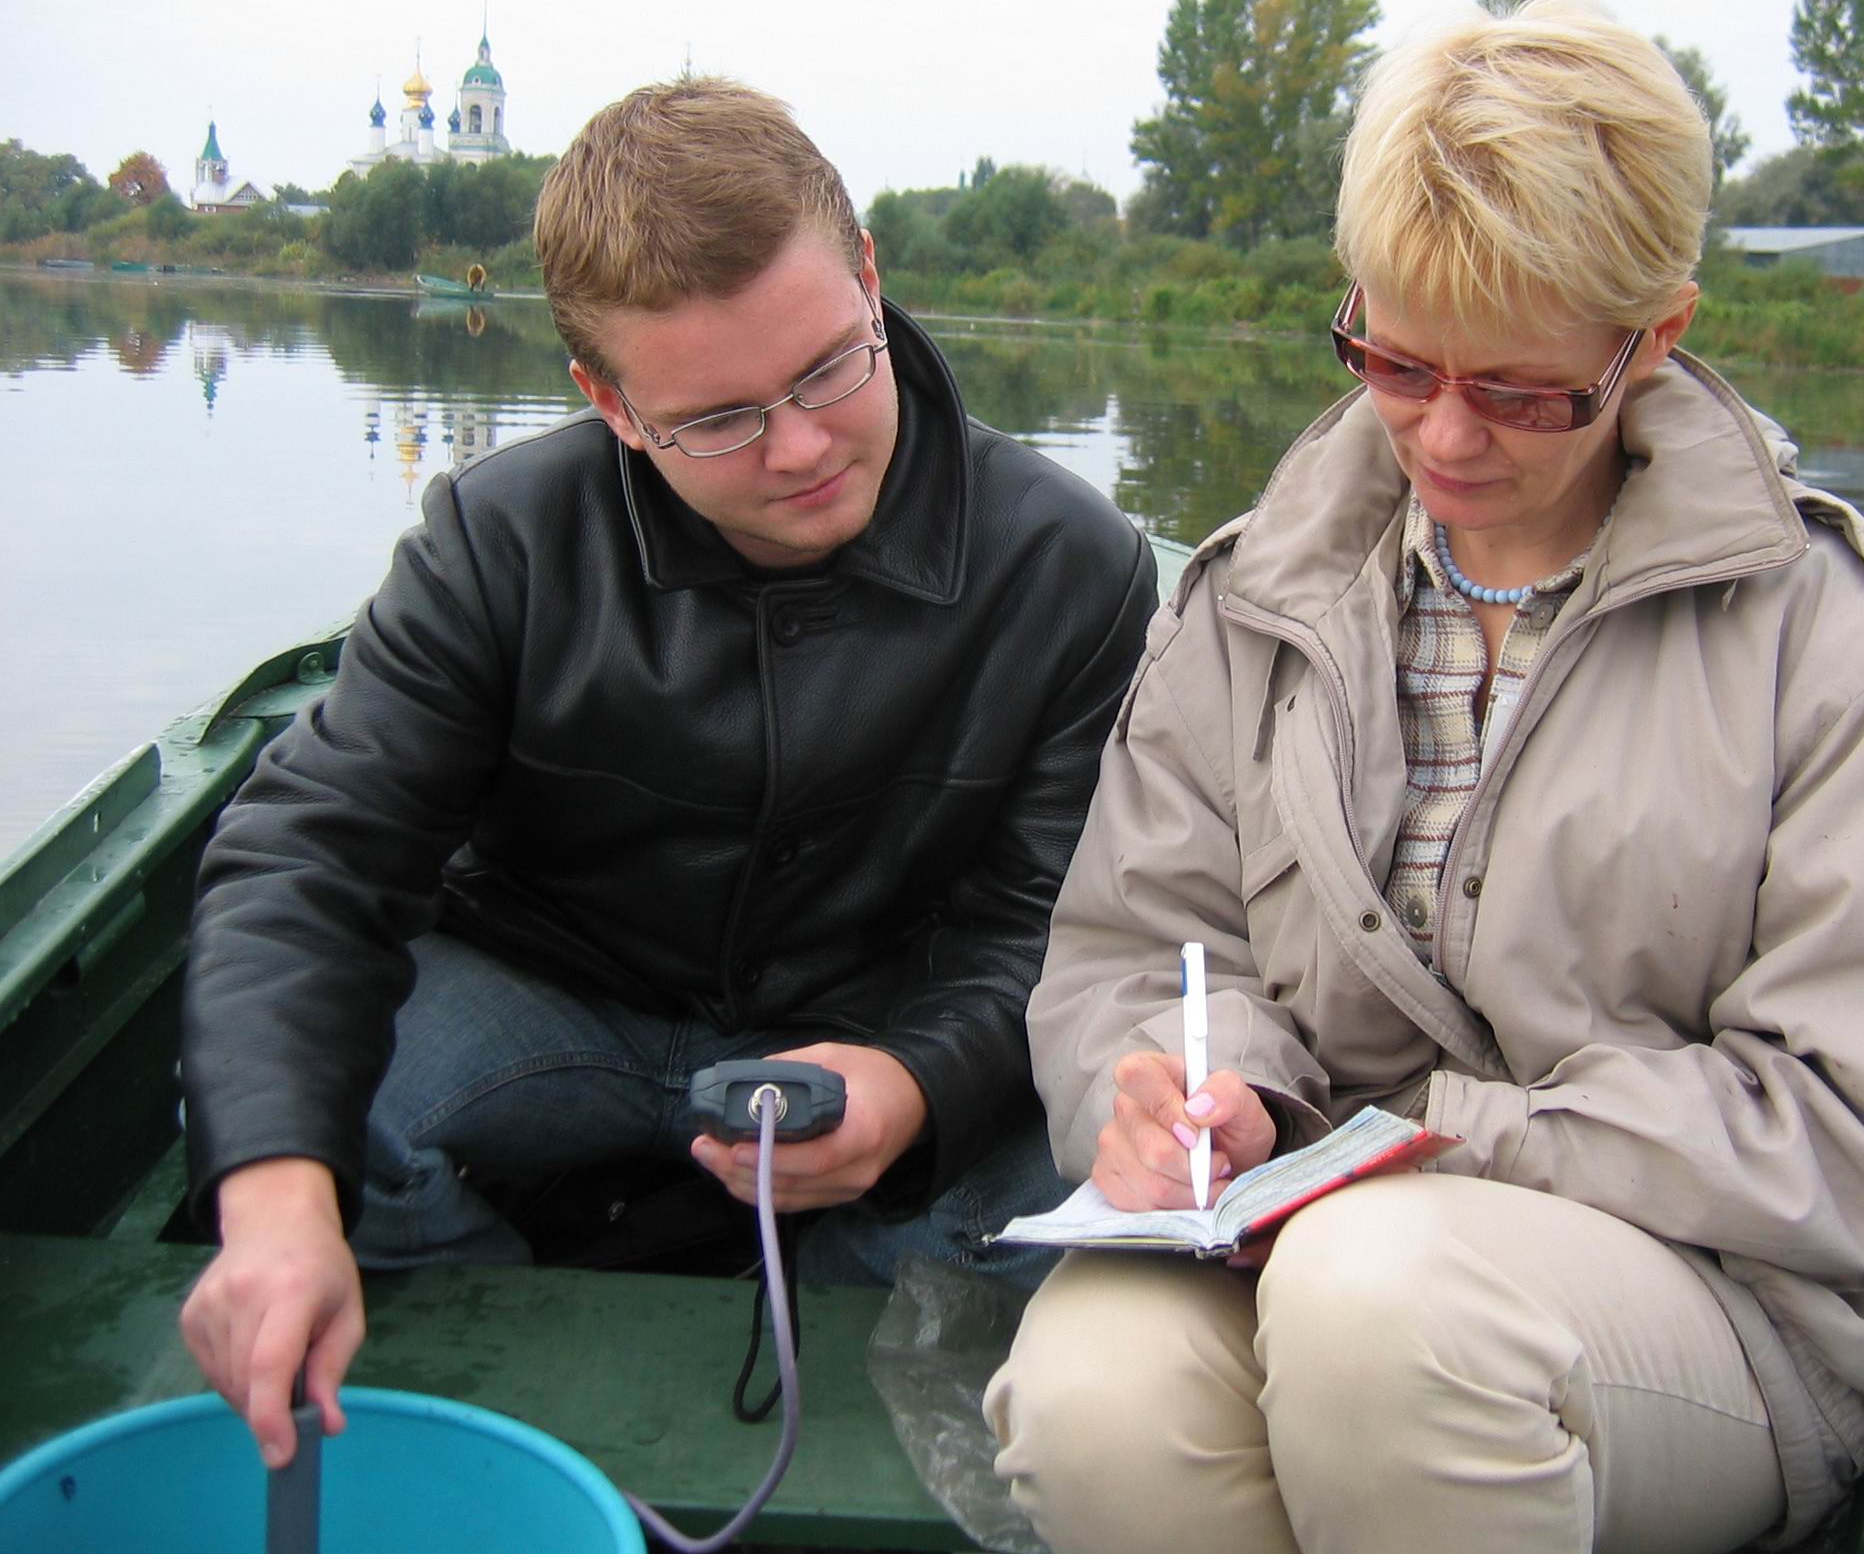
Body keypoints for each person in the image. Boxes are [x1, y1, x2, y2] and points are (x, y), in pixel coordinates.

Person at [984, 0, 1864, 1554]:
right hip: (1296, 1231)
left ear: (1651, 337)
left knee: (1384, 1307)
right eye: (1395, 358)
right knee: (1089, 1396)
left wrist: (1435, 1148)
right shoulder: (1250, 599)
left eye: (1521, 390)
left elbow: (1843, 1131)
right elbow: (1139, 950)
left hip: (1700, 1303)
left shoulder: (1830, 642)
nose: (1442, 436)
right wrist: (1213, 1099)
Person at [177, 78, 1157, 1470]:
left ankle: (823, 1350)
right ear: (610, 402)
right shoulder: (499, 543)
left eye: (831, 367)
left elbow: (1048, 927)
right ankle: (524, 1388)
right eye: (720, 420)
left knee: (1085, 1177)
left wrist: (913, 1085)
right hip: (557, 1005)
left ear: (871, 279)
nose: (804, 446)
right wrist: (278, 1209)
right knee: (288, 1115)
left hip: (870, 1037)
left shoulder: (1074, 567)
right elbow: (306, 862)